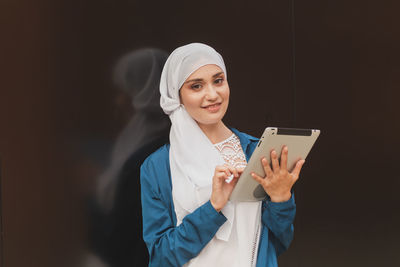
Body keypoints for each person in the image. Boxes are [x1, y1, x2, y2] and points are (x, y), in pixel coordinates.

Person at [140, 43, 305, 267]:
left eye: (218, 81)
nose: (212, 94)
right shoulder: (157, 167)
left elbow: (278, 242)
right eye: (196, 86)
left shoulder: (257, 152)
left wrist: (281, 199)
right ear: (176, 96)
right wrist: (213, 207)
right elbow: (161, 257)